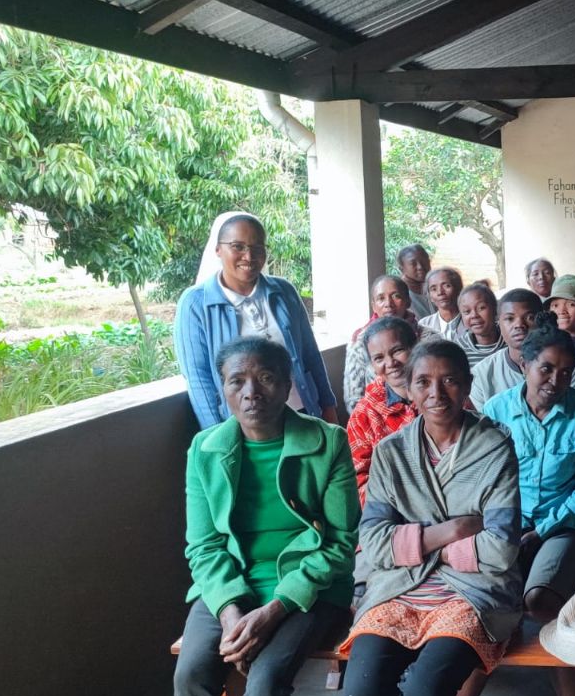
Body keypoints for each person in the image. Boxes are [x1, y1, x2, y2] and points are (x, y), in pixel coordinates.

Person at [174, 337, 358, 696]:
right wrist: (231, 613)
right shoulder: (205, 449)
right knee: (191, 676)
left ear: (287, 384)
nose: (251, 391)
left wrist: (275, 609)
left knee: (266, 679)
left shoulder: (327, 442)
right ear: (223, 389)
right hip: (229, 585)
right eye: (237, 381)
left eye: (266, 378)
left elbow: (341, 544)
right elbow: (203, 546)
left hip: (307, 587)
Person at [341, 341, 522, 696]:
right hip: (401, 586)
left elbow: (501, 549)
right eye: (423, 382)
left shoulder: (494, 446)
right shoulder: (391, 453)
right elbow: (375, 543)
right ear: (409, 388)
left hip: (474, 589)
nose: (436, 393)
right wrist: (449, 532)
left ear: (467, 386)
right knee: (360, 695)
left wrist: (416, 543)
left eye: (449, 380)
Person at [442, 314, 575, 696]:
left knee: (540, 600)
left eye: (566, 371)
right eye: (546, 369)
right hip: (505, 525)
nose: (556, 380)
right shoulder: (496, 411)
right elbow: (477, 478)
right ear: (524, 365)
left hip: (565, 525)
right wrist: (504, 525)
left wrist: (548, 523)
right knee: (488, 601)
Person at [176, 213, 337, 429]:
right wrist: (218, 435)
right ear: (218, 249)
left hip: (301, 415)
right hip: (244, 426)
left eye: (257, 248)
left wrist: (328, 408)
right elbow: (199, 379)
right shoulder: (196, 303)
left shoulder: (284, 292)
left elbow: (310, 355)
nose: (249, 256)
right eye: (238, 246)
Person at [471, 289, 575, 409]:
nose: (519, 325)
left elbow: (572, 413)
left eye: (530, 317)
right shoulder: (481, 374)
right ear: (498, 322)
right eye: (510, 318)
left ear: (541, 320)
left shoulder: (567, 370)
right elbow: (482, 420)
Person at [347, 317, 419, 500]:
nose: (390, 363)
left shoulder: (441, 394)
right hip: (394, 508)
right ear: (372, 364)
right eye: (379, 358)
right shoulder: (363, 416)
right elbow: (358, 482)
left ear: (416, 347)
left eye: (398, 351)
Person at [343, 275, 438, 413]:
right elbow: (354, 398)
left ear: (408, 301)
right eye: (381, 298)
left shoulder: (430, 340)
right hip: (378, 418)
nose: (388, 303)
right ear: (373, 306)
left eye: (396, 296)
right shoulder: (359, 342)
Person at [455, 282, 504, 368]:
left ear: (495, 309)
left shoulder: (511, 340)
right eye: (467, 311)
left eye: (481, 308)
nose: (474, 315)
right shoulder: (458, 349)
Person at [419, 267, 464, 341]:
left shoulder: (471, 321)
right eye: (434, 289)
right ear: (430, 297)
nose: (440, 292)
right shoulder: (424, 325)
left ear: (459, 289)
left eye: (447, 286)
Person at [397, 244, 434, 319]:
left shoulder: (435, 287)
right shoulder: (398, 293)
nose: (420, 267)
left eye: (424, 261)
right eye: (413, 263)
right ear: (401, 269)